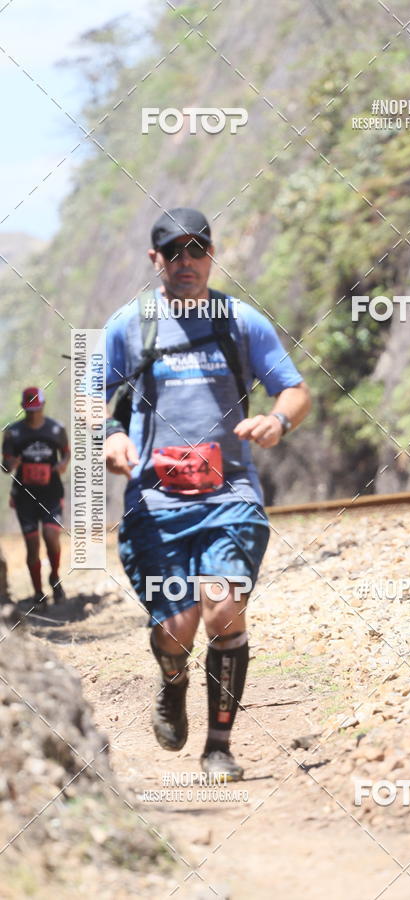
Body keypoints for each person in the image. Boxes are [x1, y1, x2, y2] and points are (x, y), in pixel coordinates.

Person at [104, 207, 311, 781]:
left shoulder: (240, 322)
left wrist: (277, 422)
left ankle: (219, 747)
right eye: (174, 251)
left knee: (223, 607)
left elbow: (293, 390)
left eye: (198, 250)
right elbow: (92, 397)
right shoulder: (130, 325)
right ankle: (174, 680)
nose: (187, 261)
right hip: (156, 503)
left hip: (231, 495)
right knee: (177, 627)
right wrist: (113, 434)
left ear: (212, 255)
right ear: (156, 260)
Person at [2, 387, 70, 606]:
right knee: (32, 546)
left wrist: (62, 465)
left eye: (37, 410)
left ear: (43, 406)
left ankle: (55, 577)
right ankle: (38, 592)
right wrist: (12, 464)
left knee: (51, 538)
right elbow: (5, 466)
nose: (33, 414)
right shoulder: (13, 433)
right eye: (30, 410)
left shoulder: (56, 429)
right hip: (24, 496)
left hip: (51, 493)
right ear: (23, 408)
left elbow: (66, 452)